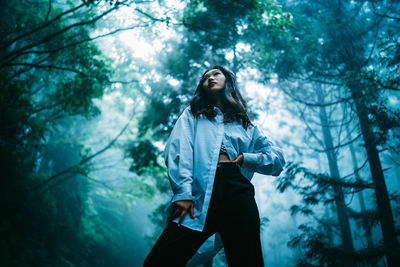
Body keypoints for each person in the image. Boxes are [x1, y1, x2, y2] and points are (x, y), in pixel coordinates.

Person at [143, 65, 285, 267]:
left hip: (238, 192)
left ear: (228, 81)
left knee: (247, 261)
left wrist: (248, 158)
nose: (210, 78)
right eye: (205, 77)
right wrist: (183, 193)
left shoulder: (246, 125)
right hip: (199, 195)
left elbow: (277, 159)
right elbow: (178, 151)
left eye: (216, 74)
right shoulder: (193, 115)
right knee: (158, 261)